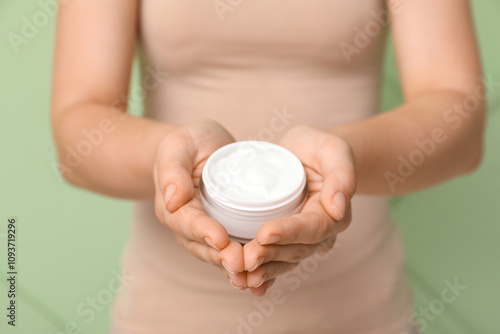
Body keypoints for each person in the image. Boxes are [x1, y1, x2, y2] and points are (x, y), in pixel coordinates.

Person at [50, 0, 484, 333]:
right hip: (165, 317)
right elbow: (77, 130)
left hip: (365, 316)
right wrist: (168, 159)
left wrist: (342, 158)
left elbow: (459, 120)